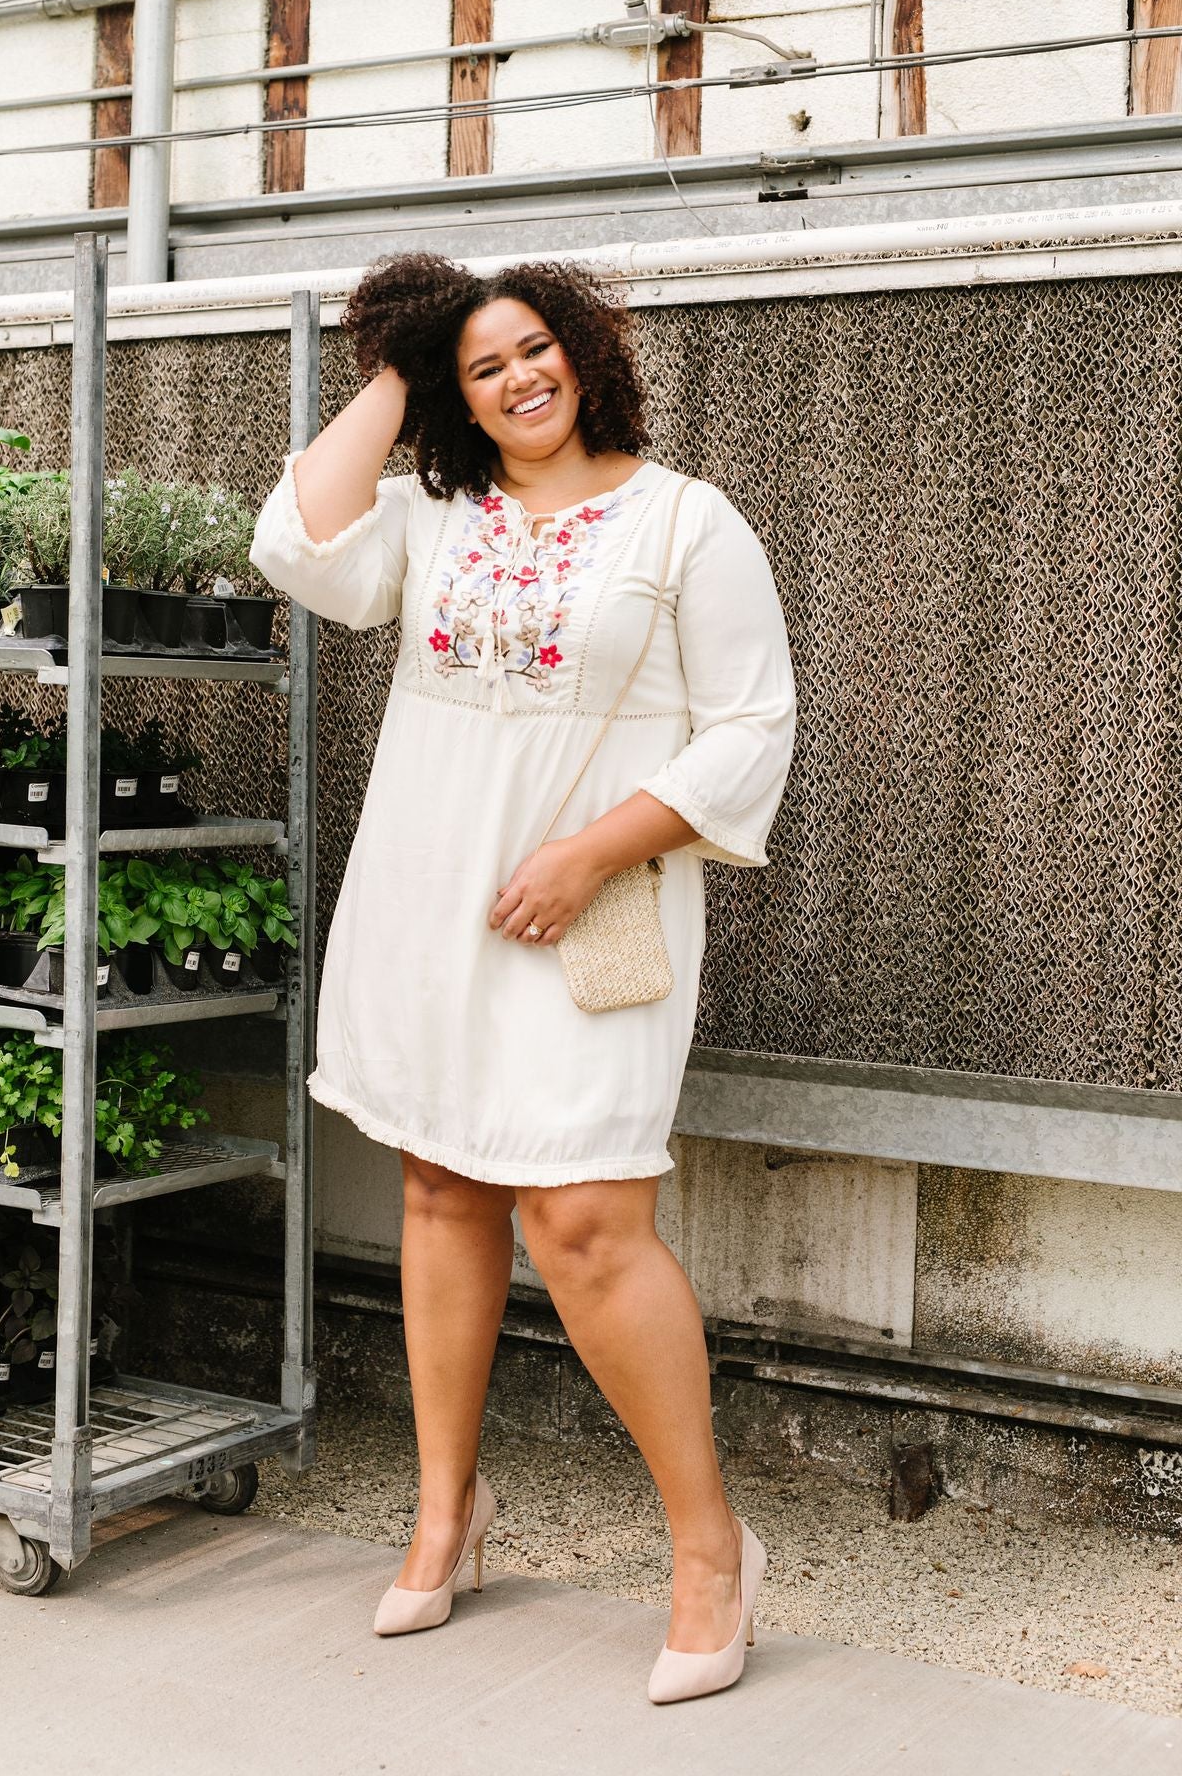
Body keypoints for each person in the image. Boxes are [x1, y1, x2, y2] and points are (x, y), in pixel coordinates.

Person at [250, 252, 796, 1705]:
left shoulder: (687, 521)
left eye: (534, 349)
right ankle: (447, 1511)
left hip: (594, 911)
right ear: (457, 390)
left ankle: (708, 1550)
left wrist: (592, 849)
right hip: (432, 898)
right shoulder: (432, 513)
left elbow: (752, 728)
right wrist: (393, 362)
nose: (518, 380)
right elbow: (301, 544)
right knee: (440, 1185)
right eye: (481, 365)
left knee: (587, 1220)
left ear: (584, 350)